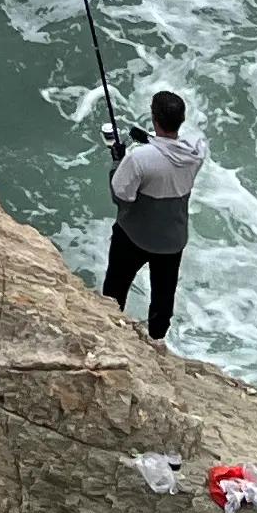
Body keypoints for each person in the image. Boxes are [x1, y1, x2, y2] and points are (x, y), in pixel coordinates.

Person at [102, 86, 207, 341]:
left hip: (134, 237)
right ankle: (157, 341)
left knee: (115, 290)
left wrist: (118, 160)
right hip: (172, 240)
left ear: (154, 118)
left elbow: (121, 195)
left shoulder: (139, 159)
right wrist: (149, 139)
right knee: (163, 297)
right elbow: (170, 151)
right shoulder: (196, 153)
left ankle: (108, 333)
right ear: (180, 120)